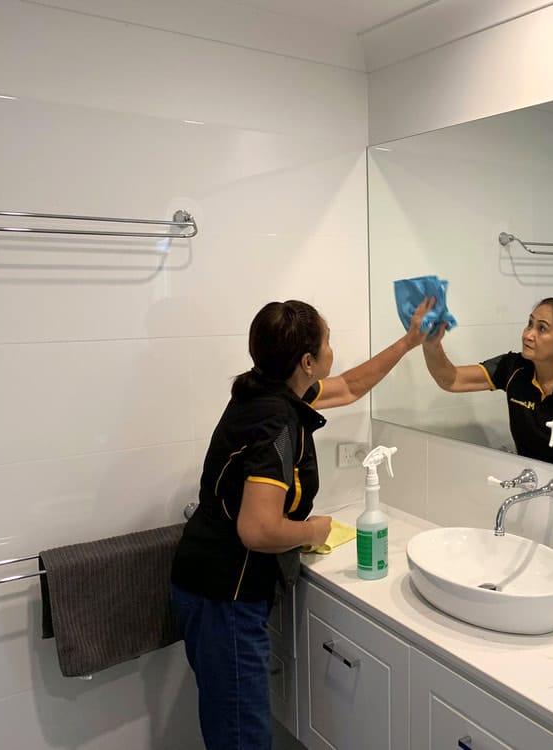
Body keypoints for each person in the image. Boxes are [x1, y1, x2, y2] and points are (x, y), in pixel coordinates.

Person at [170, 296, 433, 750]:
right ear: (308, 361)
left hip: (207, 584)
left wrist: (410, 342)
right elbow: (258, 530)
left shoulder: (267, 389)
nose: (334, 351)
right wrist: (315, 529)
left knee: (231, 727)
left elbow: (350, 386)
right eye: (328, 342)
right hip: (225, 596)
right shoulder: (276, 421)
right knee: (241, 738)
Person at [422, 297, 553, 475]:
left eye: (542, 329)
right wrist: (431, 343)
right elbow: (450, 379)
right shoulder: (513, 368)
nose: (528, 334)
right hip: (535, 484)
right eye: (530, 324)